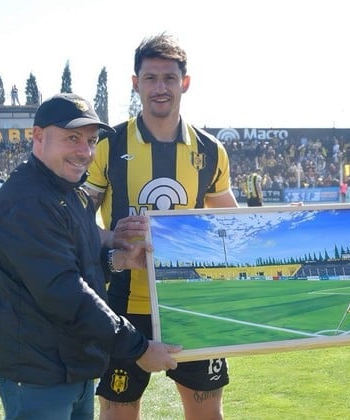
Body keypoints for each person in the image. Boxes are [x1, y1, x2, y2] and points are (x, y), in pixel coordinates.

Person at [0, 93, 181, 419]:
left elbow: (79, 264)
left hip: (73, 365)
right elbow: (64, 292)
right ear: (38, 136)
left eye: (90, 141)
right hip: (38, 374)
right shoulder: (27, 200)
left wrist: (118, 261)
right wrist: (139, 347)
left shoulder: (71, 192)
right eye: (72, 138)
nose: (85, 152)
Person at [85, 33, 238, 420]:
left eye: (169, 78)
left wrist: (291, 218)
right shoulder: (108, 145)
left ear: (184, 83)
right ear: (135, 83)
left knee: (207, 413)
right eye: (150, 78)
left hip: (191, 305)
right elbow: (75, 220)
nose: (160, 88)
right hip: (122, 304)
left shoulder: (210, 150)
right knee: (118, 413)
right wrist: (112, 238)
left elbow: (234, 222)